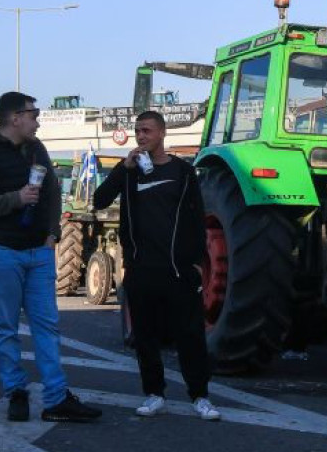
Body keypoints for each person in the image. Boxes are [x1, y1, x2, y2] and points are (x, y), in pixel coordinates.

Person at [0, 91, 100, 423]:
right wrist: (15, 198)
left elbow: (52, 191)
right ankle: (16, 392)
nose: (38, 120)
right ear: (15, 118)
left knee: (47, 325)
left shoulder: (37, 148)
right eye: (33, 114)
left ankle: (55, 398)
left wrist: (52, 233)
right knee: (6, 326)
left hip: (38, 251)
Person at [92, 110, 220, 421]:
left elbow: (195, 217)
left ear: (162, 134)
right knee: (145, 337)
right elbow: (99, 200)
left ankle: (200, 397)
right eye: (138, 131)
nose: (141, 136)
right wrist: (123, 169)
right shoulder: (130, 172)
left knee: (190, 335)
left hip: (177, 270)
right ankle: (154, 394)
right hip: (141, 269)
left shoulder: (182, 171)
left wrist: (195, 262)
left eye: (147, 131)